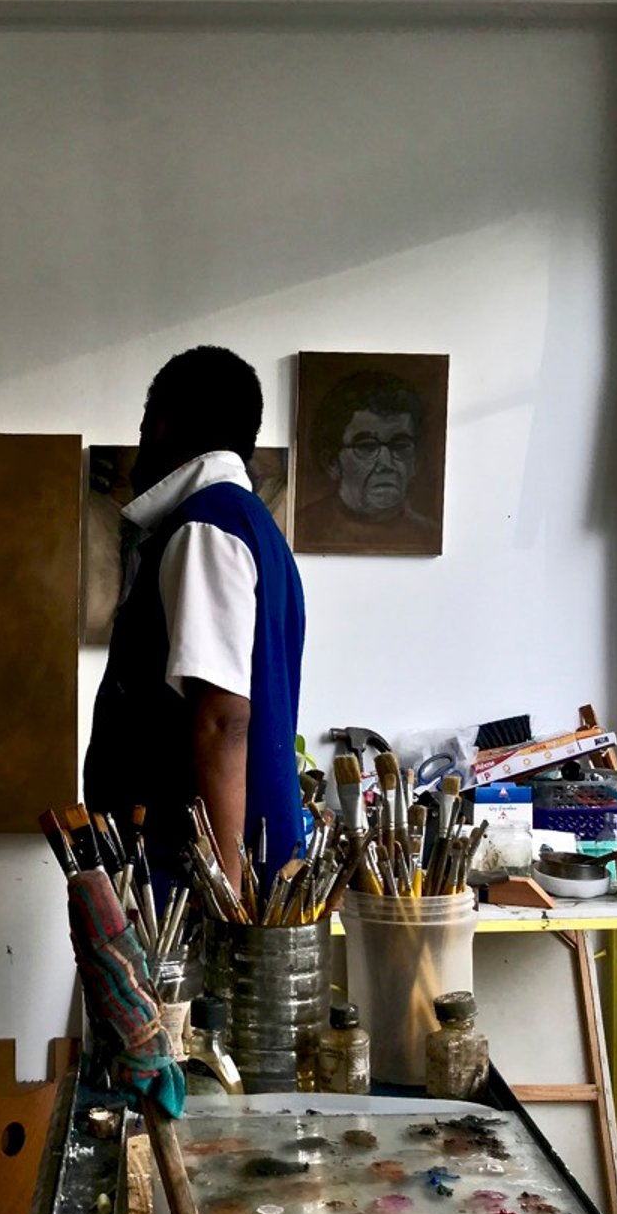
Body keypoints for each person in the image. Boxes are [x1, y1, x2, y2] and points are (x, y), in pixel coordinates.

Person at [85, 345, 307, 886]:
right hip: (193, 868)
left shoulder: (206, 528)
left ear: (160, 425)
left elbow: (223, 719)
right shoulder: (249, 526)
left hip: (189, 882)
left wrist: (226, 889)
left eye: (142, 429)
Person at [297, 368, 440, 552]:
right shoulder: (303, 527)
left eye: (400, 445)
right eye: (367, 447)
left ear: (415, 462)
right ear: (332, 462)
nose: (386, 464)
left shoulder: (426, 533)